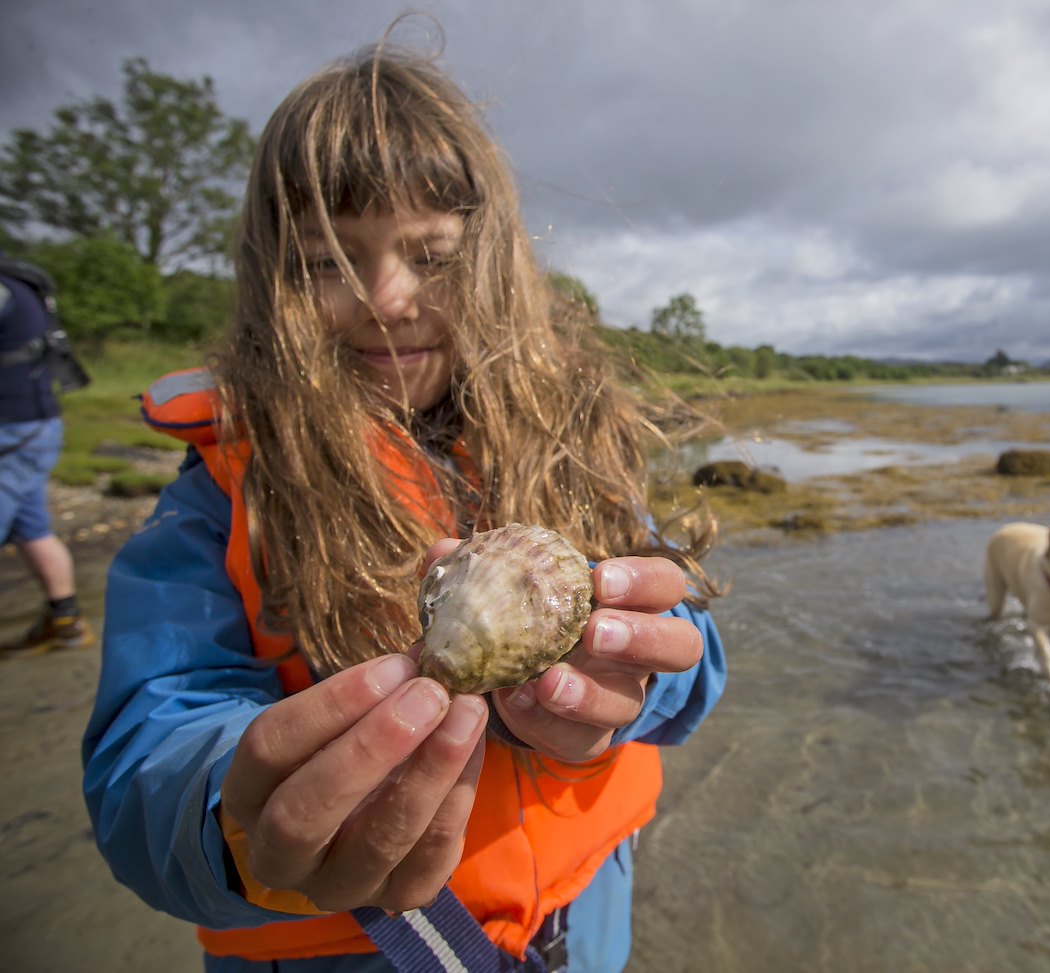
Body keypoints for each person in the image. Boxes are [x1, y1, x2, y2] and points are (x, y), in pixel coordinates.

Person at [81, 40, 726, 973]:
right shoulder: (219, 498)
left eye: (432, 256)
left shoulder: (579, 445)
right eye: (326, 262)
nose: (387, 299)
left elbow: (695, 652)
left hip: (586, 931)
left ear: (497, 262)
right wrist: (235, 798)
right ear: (273, 282)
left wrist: (632, 685)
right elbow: (149, 741)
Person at [1, 252, 94, 656]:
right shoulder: (22, 286)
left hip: (12, 431)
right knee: (33, 529)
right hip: (37, 426)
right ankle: (66, 620)